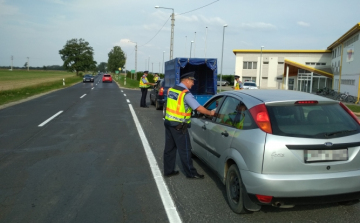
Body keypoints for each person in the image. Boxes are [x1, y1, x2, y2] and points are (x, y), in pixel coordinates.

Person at [163, 71, 215, 179]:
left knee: (169, 149)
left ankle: (168, 171)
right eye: (192, 81)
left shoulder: (172, 90)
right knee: (185, 150)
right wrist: (210, 113)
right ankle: (191, 173)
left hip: (169, 123)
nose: (193, 84)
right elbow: (198, 108)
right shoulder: (185, 94)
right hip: (179, 126)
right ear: (187, 80)